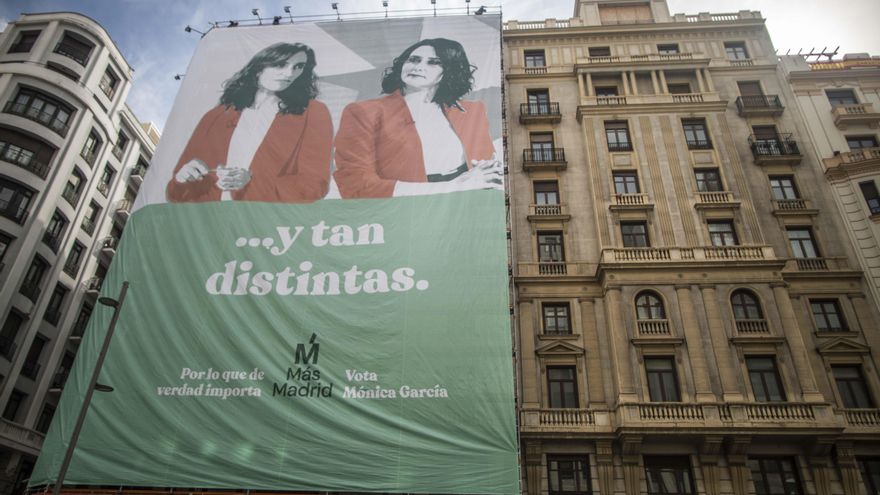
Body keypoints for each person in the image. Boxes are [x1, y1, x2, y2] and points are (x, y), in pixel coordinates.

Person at [333, 38, 502, 198]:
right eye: (413, 59)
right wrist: (454, 186)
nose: (418, 66)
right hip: (401, 213)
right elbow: (356, 186)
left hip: (464, 208)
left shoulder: (472, 111)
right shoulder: (363, 112)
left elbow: (486, 168)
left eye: (433, 62)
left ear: (449, 70)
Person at [167, 42, 332, 203]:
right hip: (209, 223)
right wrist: (182, 179)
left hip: (267, 223)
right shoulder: (216, 116)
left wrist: (252, 184)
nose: (289, 73)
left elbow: (315, 184)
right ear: (259, 67)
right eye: (281, 64)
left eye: (298, 67)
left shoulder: (313, 112)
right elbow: (176, 193)